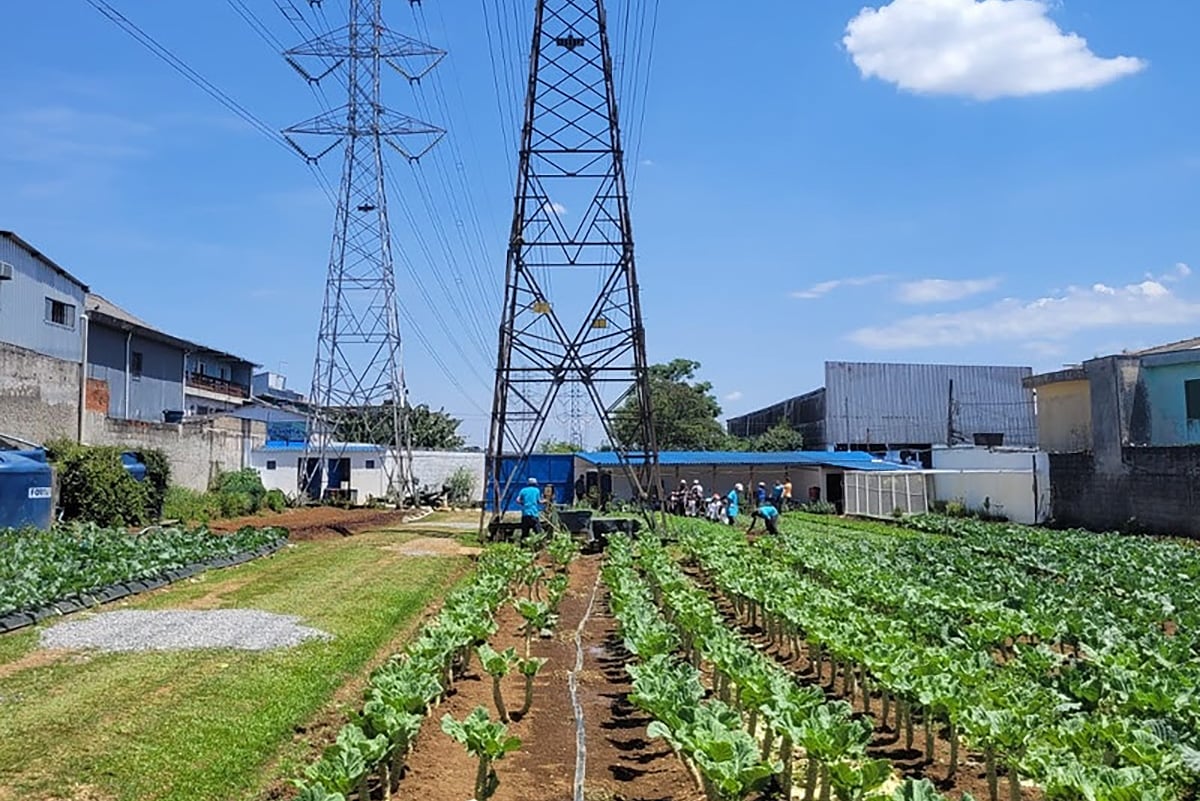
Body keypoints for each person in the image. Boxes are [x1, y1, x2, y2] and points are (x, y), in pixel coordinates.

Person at [517, 477, 544, 542]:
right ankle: (540, 546)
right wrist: (546, 501)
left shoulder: (523, 490)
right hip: (533, 514)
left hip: (525, 514)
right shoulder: (536, 490)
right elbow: (539, 501)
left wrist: (523, 503)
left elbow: (517, 500)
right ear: (535, 484)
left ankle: (523, 547)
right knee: (539, 533)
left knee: (525, 533)